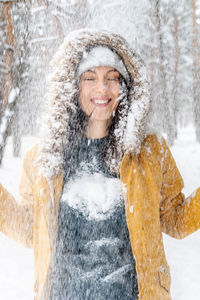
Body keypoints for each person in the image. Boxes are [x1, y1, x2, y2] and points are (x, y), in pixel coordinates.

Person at [0, 28, 200, 300]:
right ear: (73, 86)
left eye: (112, 78)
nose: (102, 89)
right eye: (90, 78)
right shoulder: (43, 158)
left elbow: (175, 219)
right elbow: (32, 230)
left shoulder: (150, 150)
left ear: (126, 86)